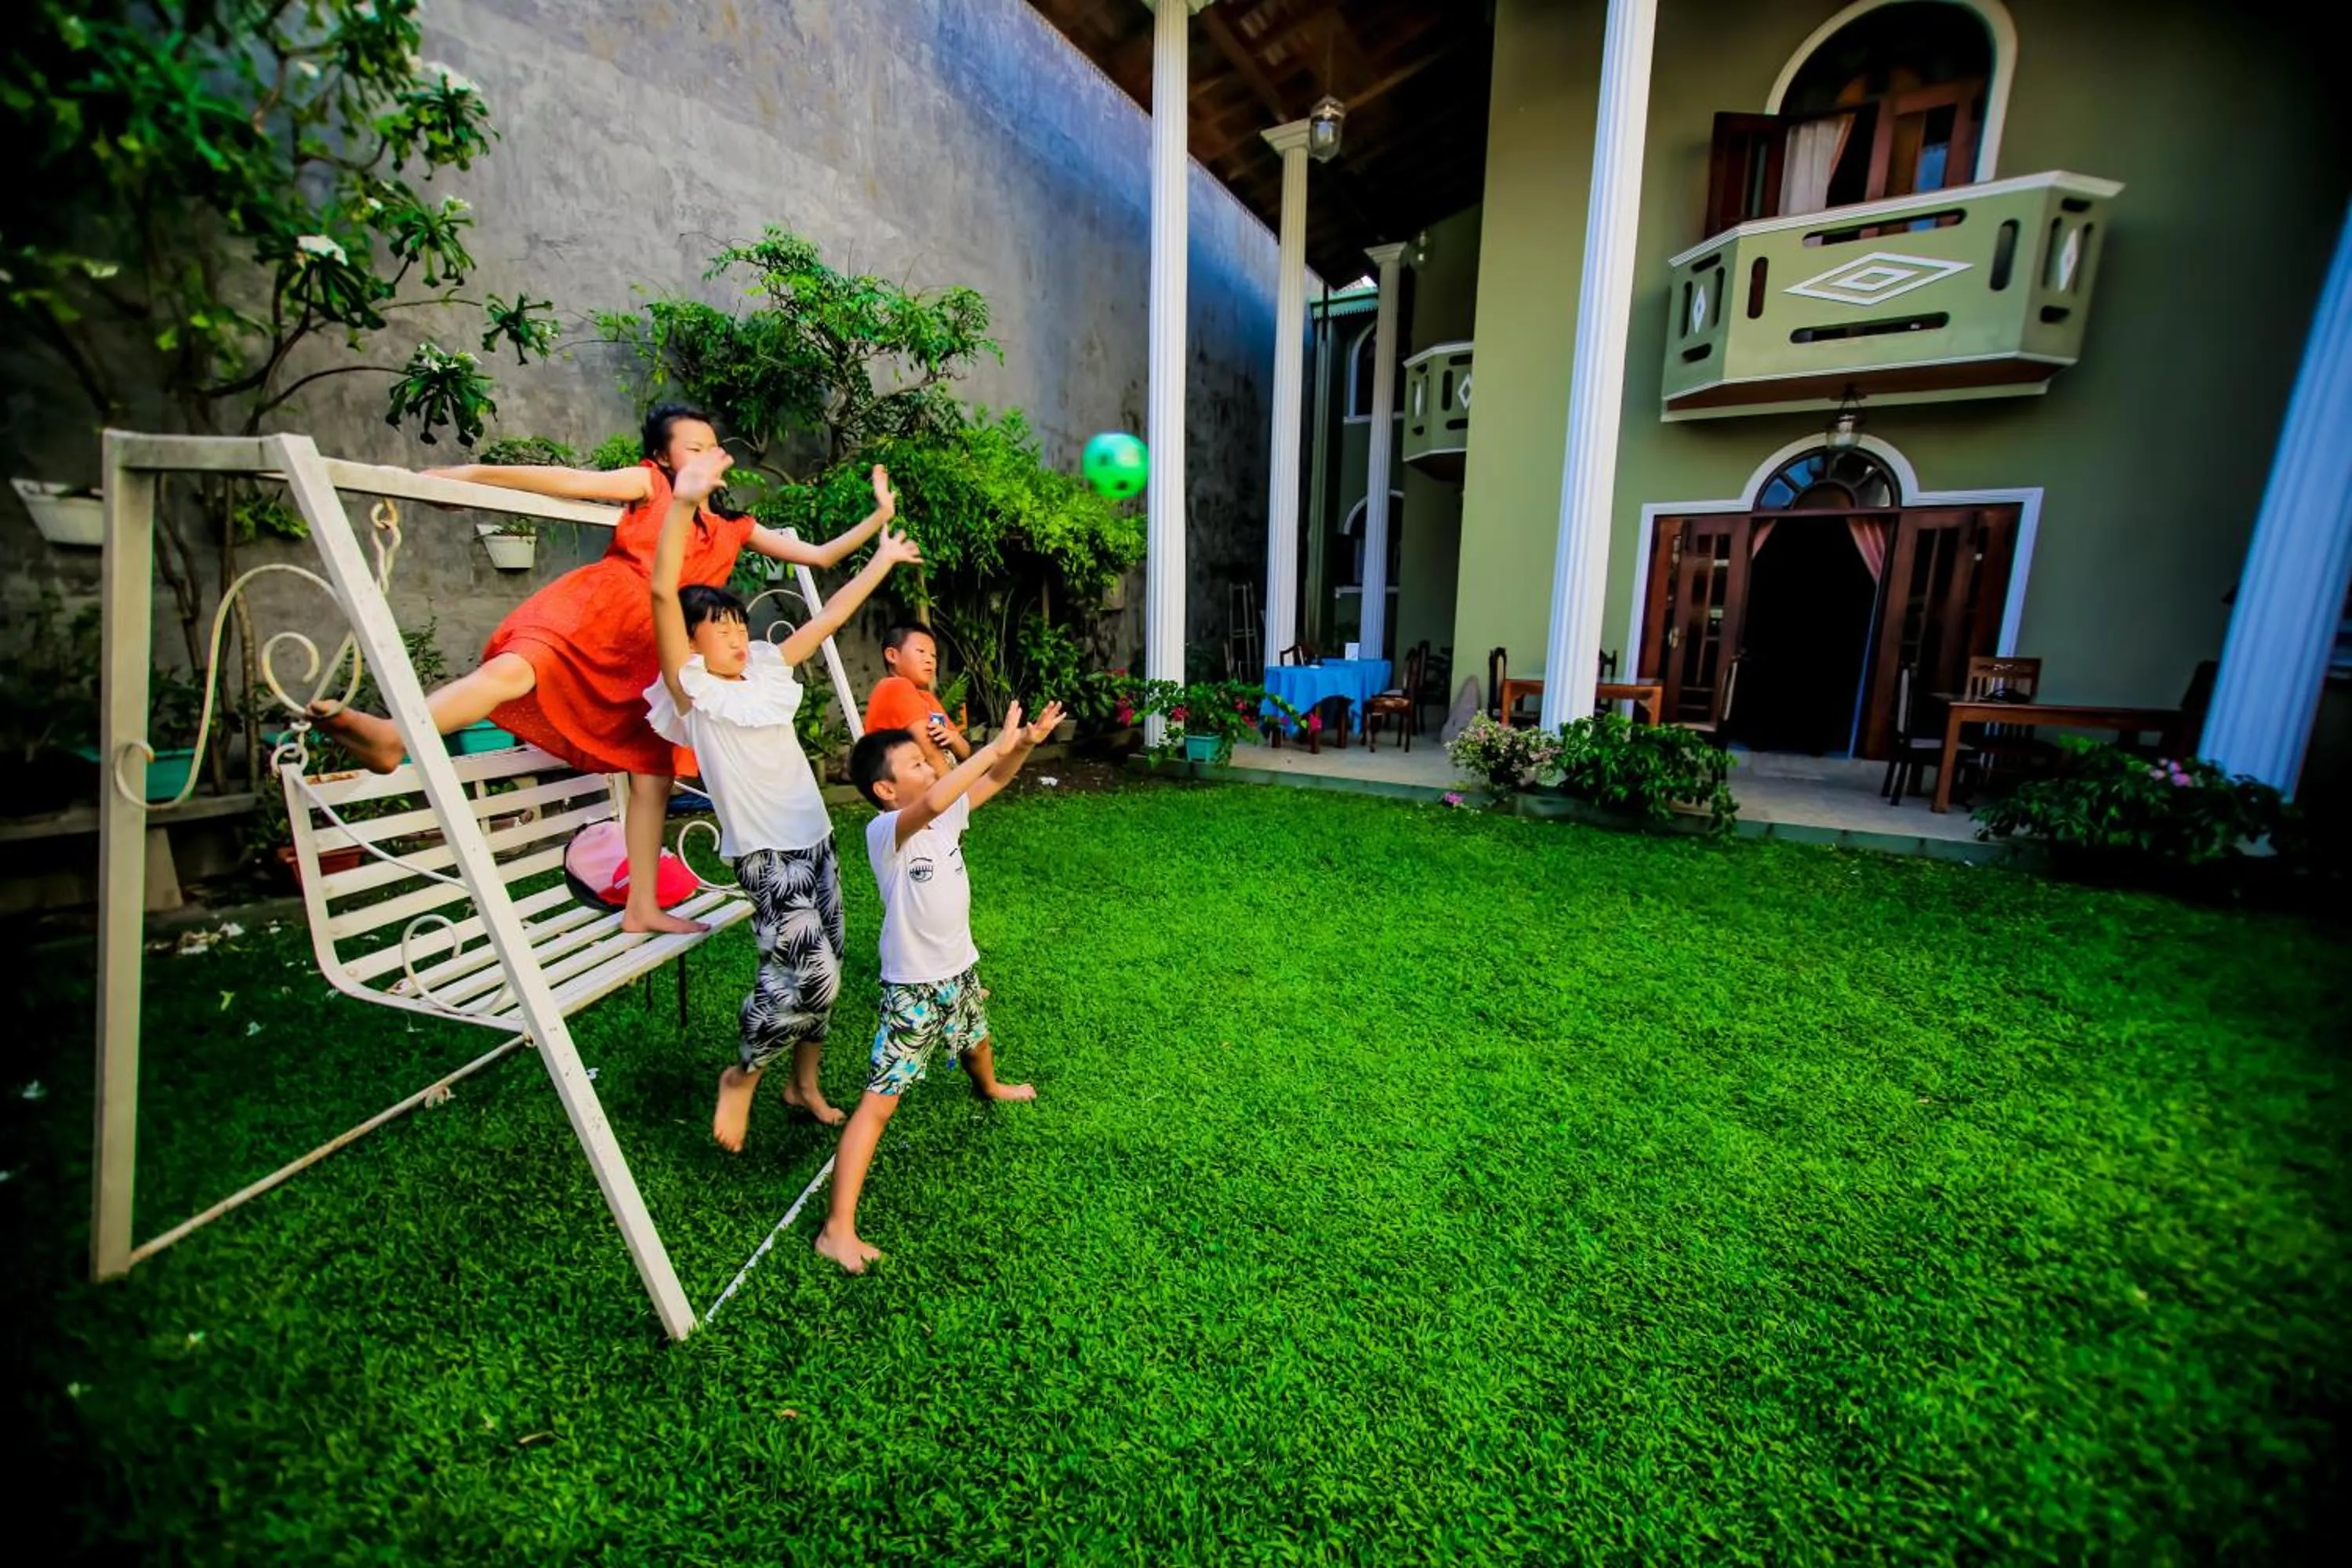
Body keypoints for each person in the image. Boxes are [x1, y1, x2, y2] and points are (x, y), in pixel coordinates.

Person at [311, 403, 895, 935]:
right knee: (516, 670)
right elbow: (563, 481)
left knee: (652, 774)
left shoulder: (735, 529)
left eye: (712, 446)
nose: (706, 454)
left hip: (656, 651)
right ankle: (394, 736)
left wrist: (880, 520)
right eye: (691, 447)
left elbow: (820, 556)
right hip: (599, 613)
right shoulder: (649, 484)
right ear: (664, 457)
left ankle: (641, 905)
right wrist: (466, 478)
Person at [643, 445, 925, 1147]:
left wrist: (881, 562)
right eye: (721, 629)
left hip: (816, 840)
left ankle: (804, 1084)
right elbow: (658, 594)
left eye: (740, 625)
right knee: (811, 974)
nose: (737, 637)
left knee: (829, 962)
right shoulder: (694, 693)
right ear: (693, 641)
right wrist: (683, 501)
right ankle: (743, 1075)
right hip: (767, 856)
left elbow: (826, 620)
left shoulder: (766, 670)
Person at [816, 698, 1064, 1273]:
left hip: (959, 969)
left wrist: (1022, 743)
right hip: (913, 990)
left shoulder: (945, 814)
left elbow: (995, 779)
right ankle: (837, 1229)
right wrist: (989, 749)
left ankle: (989, 1086)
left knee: (977, 1038)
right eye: (918, 765)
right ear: (885, 790)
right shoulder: (887, 832)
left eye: (931, 763)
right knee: (880, 1104)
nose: (932, 770)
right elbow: (935, 796)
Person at [863, 622, 971, 775]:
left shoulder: (927, 698)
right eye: (921, 651)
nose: (930, 660)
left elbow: (965, 751)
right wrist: (955, 795)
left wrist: (953, 737)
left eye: (933, 655)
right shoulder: (895, 686)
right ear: (892, 656)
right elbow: (931, 754)